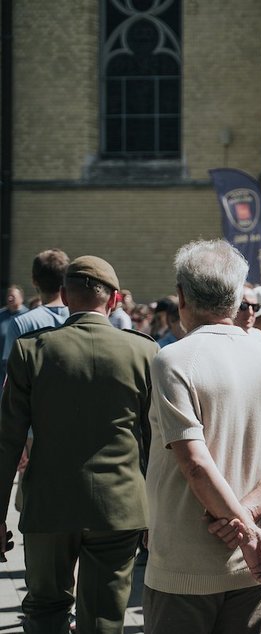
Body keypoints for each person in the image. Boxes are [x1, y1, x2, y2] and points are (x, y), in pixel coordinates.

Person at [143, 240, 261, 634]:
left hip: (188, 563)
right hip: (256, 562)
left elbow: (196, 464)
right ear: (237, 297)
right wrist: (251, 521)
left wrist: (245, 530)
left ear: (182, 296)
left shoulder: (174, 359)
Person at [0, 255, 158, 634]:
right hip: (119, 505)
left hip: (49, 504)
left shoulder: (30, 350)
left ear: (66, 299)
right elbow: (156, 443)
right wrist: (158, 514)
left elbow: (7, 442)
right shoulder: (144, 352)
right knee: (104, 615)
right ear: (115, 301)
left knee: (44, 610)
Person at [1, 249, 70, 369]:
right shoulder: (81, 316)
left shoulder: (21, 323)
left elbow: (12, 374)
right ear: (65, 279)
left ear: (34, 281)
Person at [0, 285, 27, 385]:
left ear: (21, 298)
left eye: (13, 296)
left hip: (18, 365)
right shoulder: (1, 316)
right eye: (8, 296)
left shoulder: (27, 316)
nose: (10, 298)